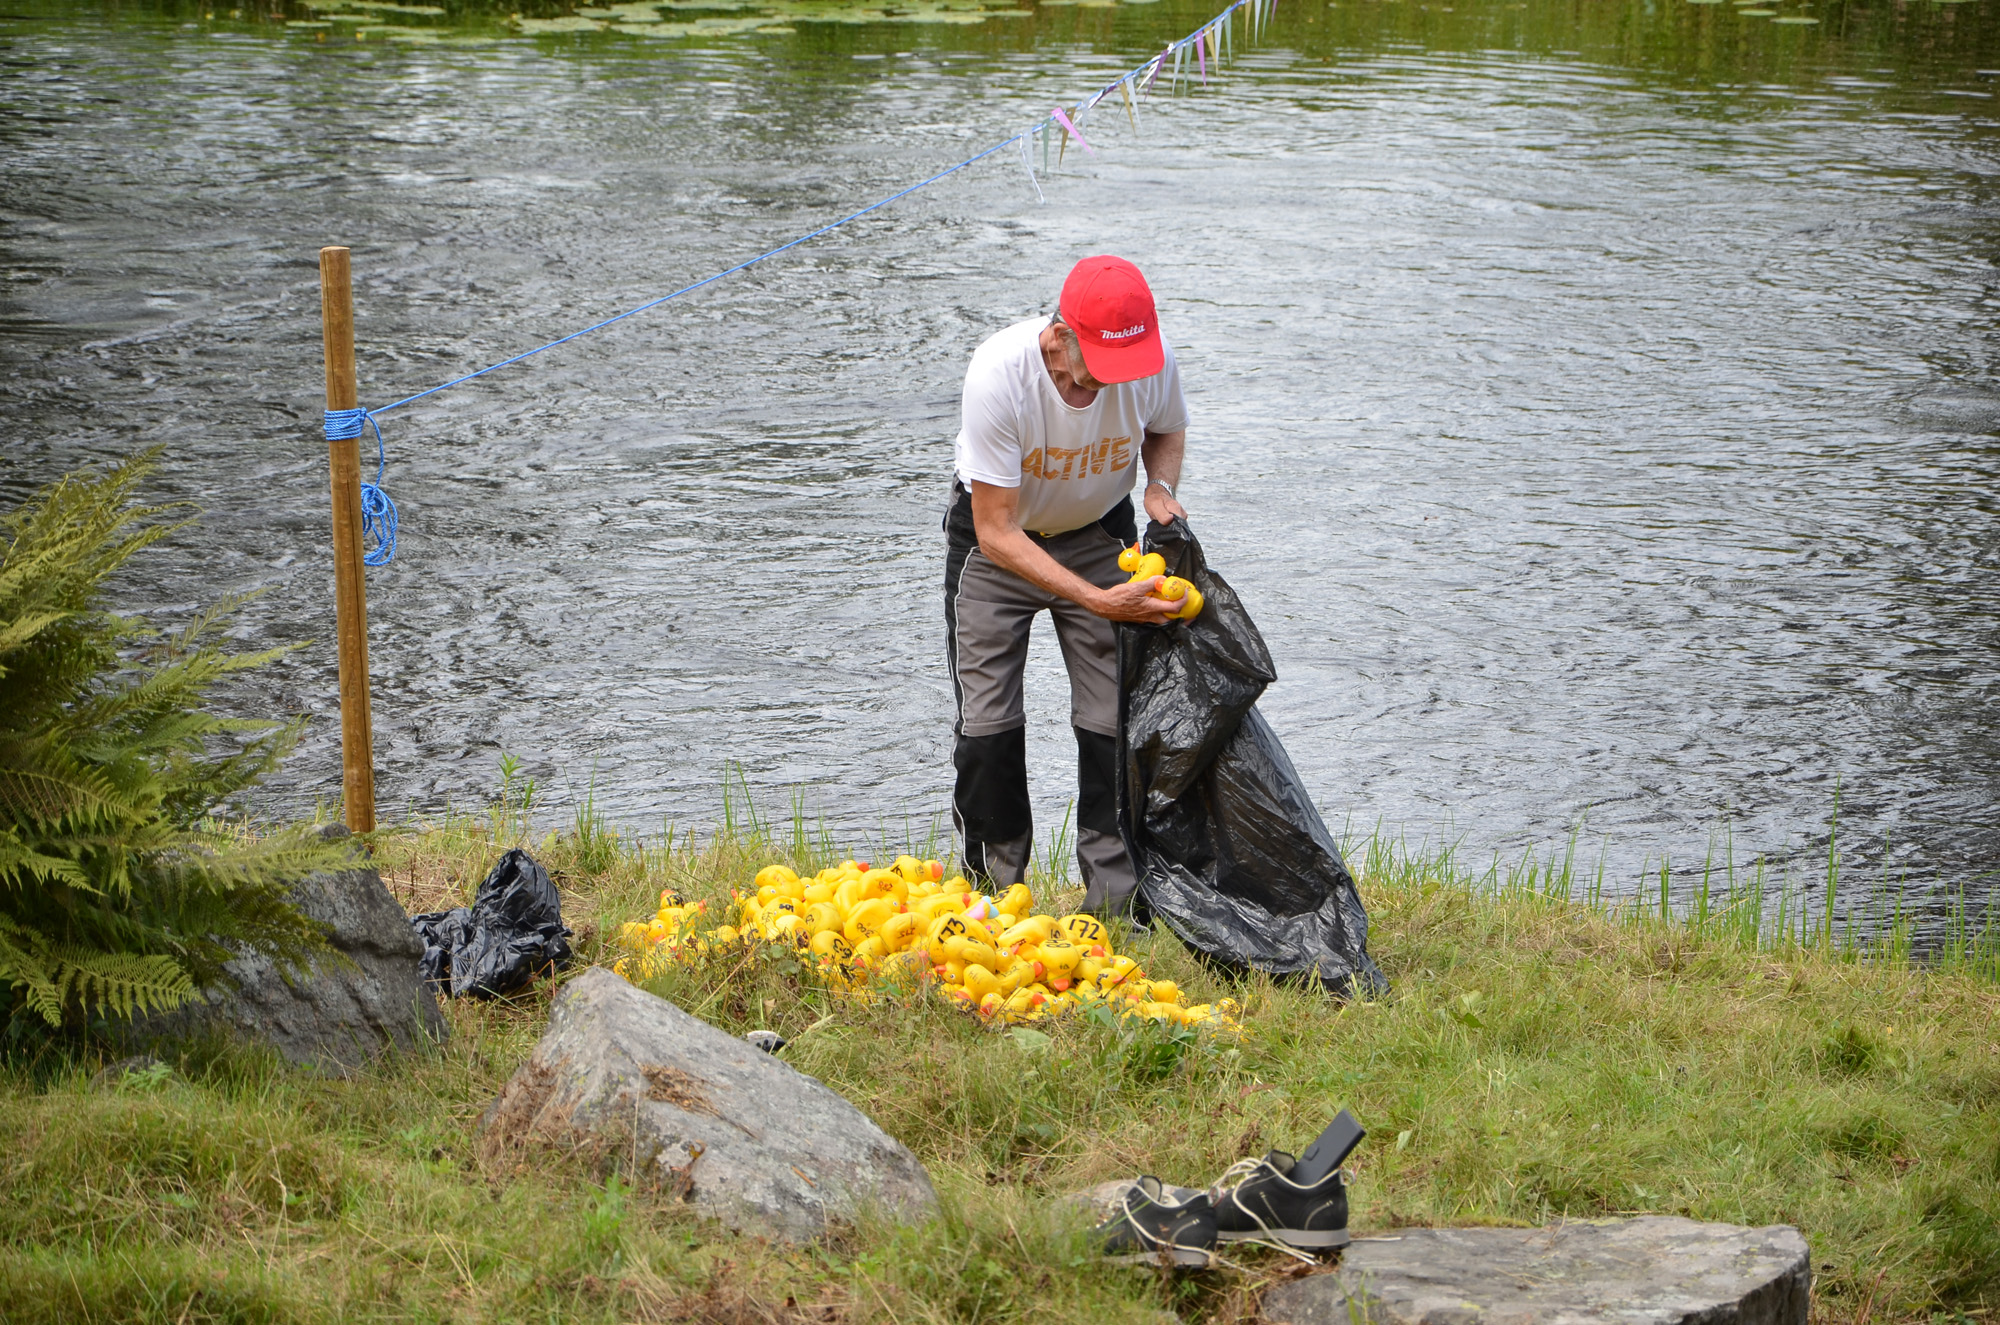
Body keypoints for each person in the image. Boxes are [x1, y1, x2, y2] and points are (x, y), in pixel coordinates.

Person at [943, 254, 1190, 917]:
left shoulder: (1150, 361)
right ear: (1058, 337)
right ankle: (995, 897)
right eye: (1093, 375)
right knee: (987, 721)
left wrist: (1159, 486)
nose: (1105, 389)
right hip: (997, 544)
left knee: (1114, 716)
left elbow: (1167, 425)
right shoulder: (999, 372)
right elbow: (994, 529)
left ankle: (1115, 905)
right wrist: (1099, 601)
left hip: (1099, 534)